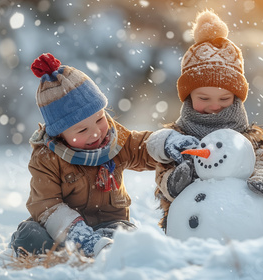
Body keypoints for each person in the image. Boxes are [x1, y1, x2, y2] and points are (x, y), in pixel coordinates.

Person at [9, 53, 157, 257]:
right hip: (60, 229)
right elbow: (47, 205)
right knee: (31, 236)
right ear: (60, 134)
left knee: (126, 237)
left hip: (108, 223)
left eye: (99, 119)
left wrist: (167, 145)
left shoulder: (115, 140)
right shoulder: (46, 158)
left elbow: (143, 147)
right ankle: (67, 251)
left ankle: (101, 249)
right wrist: (82, 238)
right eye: (81, 130)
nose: (96, 132)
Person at [145, 10, 263, 231]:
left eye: (225, 98)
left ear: (236, 97)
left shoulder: (245, 136)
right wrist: (174, 180)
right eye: (204, 98)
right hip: (191, 223)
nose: (214, 105)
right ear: (188, 96)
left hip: (240, 220)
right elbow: (163, 170)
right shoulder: (181, 136)